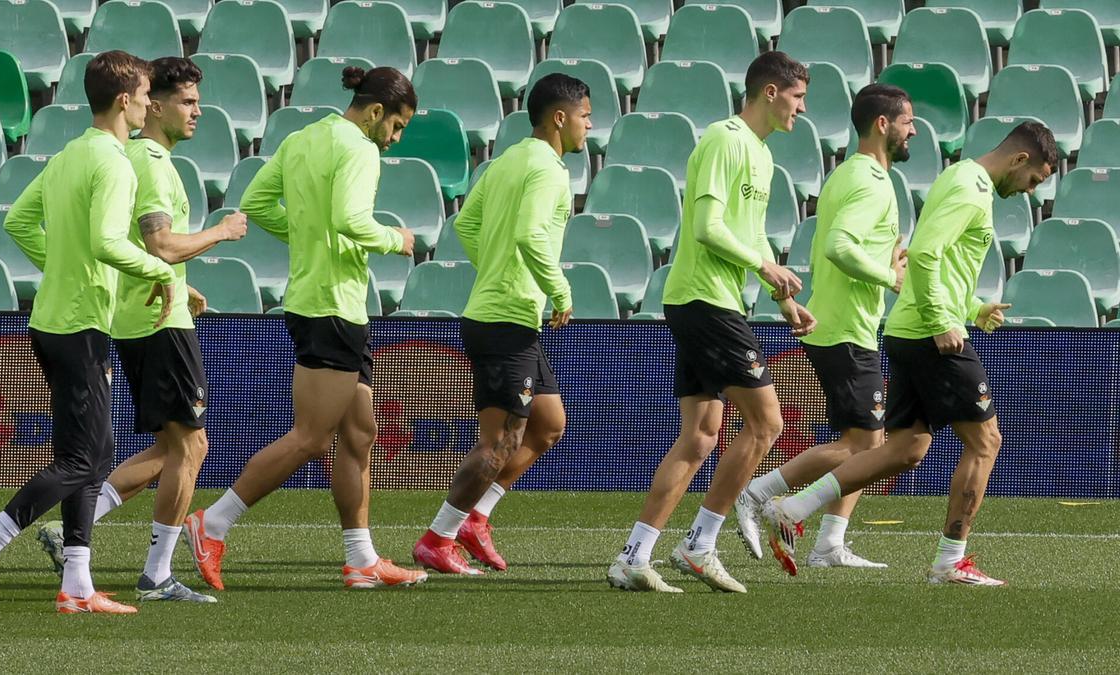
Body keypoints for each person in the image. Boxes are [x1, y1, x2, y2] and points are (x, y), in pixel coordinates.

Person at [762, 121, 1057, 586]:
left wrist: (972, 307)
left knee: (905, 449)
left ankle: (791, 507)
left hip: (911, 328)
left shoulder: (964, 181)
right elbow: (925, 254)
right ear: (1020, 160)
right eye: (1034, 180)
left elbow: (946, 265)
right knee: (986, 442)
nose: (1029, 191)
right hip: (928, 331)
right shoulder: (970, 186)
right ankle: (950, 559)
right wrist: (943, 320)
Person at [0, 51, 177, 615]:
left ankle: (77, 584)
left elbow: (17, 220)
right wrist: (160, 269)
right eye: (147, 94)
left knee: (90, 453)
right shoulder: (117, 163)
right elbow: (106, 242)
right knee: (85, 457)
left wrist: (61, 266)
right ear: (125, 100)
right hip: (79, 324)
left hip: (52, 320)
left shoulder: (70, 152)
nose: (150, 103)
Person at [182, 66, 427, 590]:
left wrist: (305, 233)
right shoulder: (360, 149)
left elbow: (255, 205)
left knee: (361, 432)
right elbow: (351, 220)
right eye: (397, 126)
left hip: (321, 304)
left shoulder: (303, 137)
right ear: (377, 111)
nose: (395, 138)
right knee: (312, 438)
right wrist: (396, 239)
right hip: (332, 308)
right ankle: (212, 522)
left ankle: (361, 560)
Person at [34, 57, 249, 603]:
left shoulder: (129, 156)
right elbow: (159, 246)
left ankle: (77, 531)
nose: (198, 112)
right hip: (158, 322)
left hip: (138, 316)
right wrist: (221, 232)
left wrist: (182, 283)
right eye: (187, 101)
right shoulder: (150, 161)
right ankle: (155, 573)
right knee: (190, 446)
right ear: (151, 104)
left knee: (167, 447)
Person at [606, 51, 815, 594]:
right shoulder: (723, 139)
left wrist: (782, 299)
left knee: (700, 436)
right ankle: (699, 544)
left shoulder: (762, 155)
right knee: (766, 424)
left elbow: (750, 232)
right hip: (703, 301)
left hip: (714, 300)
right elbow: (706, 227)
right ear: (770, 92)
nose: (802, 109)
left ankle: (634, 555)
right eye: (797, 97)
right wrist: (763, 265)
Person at [411, 73, 590, 575]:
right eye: (585, 116)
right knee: (498, 445)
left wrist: (493, 262)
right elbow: (533, 234)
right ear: (560, 117)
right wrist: (560, 290)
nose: (589, 127)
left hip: (508, 316)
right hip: (505, 318)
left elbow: (464, 225)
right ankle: (439, 537)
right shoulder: (552, 171)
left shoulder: (506, 160)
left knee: (549, 425)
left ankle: (475, 518)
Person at [732, 84, 915, 571]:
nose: (913, 129)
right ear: (883, 124)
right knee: (864, 445)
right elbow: (838, 245)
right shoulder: (869, 180)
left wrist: (885, 260)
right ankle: (760, 493)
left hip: (847, 325)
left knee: (868, 445)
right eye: (907, 121)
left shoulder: (854, 175)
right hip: (842, 329)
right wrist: (888, 276)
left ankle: (829, 541)